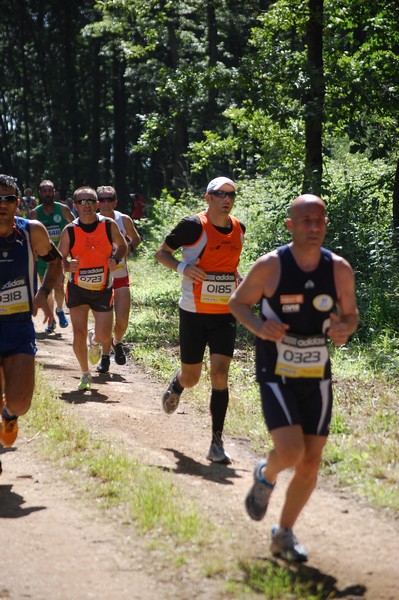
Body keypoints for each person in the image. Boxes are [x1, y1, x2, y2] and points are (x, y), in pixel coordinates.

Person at [228, 193, 359, 562]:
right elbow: (237, 303)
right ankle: (266, 475)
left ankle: (283, 532)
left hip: (316, 372)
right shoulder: (271, 266)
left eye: (319, 220)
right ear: (290, 225)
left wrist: (343, 330)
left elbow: (351, 316)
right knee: (290, 451)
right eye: (306, 221)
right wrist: (259, 325)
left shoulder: (339, 269)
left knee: (311, 460)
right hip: (276, 369)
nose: (314, 227)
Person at [155, 176, 245, 464]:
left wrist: (237, 279)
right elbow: (161, 254)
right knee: (192, 377)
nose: (226, 199)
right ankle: (178, 385)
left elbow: (230, 264)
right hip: (193, 312)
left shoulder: (240, 228)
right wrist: (183, 267)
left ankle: (216, 442)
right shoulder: (193, 225)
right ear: (208, 198)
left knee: (220, 374)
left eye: (231, 194)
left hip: (224, 314)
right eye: (220, 194)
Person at [0, 173, 63, 448]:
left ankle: (9, 415)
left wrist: (43, 293)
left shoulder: (32, 231)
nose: (2, 204)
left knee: (20, 402)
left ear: (19, 203)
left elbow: (56, 261)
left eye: (8, 198)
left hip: (19, 325)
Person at [58, 186, 127, 390]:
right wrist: (66, 265)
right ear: (75, 206)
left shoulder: (108, 225)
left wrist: (115, 258)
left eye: (90, 201)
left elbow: (122, 245)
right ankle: (85, 374)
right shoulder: (70, 230)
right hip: (77, 288)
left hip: (102, 289)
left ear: (97, 204)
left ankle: (95, 342)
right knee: (78, 332)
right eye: (81, 201)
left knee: (105, 335)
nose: (86, 205)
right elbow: (59, 258)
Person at [96, 186, 141, 373]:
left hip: (121, 276)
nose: (106, 203)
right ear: (97, 202)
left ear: (115, 201)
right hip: (100, 279)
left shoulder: (123, 219)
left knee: (122, 320)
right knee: (106, 321)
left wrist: (125, 250)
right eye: (102, 199)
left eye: (110, 199)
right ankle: (105, 357)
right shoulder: (92, 221)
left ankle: (117, 342)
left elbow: (136, 238)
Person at [30, 180, 74, 333]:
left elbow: (75, 227)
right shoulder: (35, 213)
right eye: (44, 191)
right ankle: (51, 319)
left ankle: (60, 310)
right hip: (43, 256)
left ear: (54, 192)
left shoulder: (63, 210)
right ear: (40, 193)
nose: (47, 194)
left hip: (60, 255)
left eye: (50, 191)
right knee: (46, 288)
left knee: (59, 286)